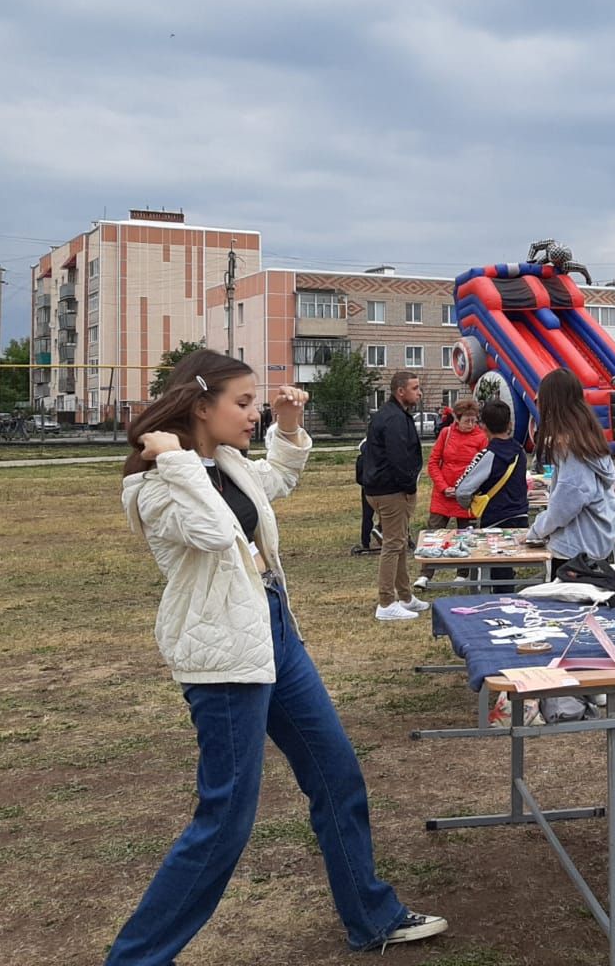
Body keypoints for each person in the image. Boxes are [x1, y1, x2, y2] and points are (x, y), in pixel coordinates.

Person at [106, 350, 445, 962]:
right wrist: (177, 460)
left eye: (256, 400)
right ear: (199, 407)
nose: (254, 411)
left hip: (273, 634)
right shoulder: (155, 484)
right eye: (243, 403)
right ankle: (135, 959)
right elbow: (212, 532)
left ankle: (370, 916)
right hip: (224, 654)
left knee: (335, 773)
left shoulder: (228, 463)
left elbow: (277, 482)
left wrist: (286, 429)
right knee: (225, 822)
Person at [529, 369, 615, 576]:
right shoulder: (586, 436)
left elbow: (566, 503)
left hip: (576, 551)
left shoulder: (571, 448)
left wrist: (536, 530)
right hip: (591, 544)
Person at [362, 371, 427, 622]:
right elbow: (400, 458)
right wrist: (409, 486)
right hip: (390, 491)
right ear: (401, 391)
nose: (419, 392)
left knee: (399, 541)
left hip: (382, 488)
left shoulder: (393, 415)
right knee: (392, 545)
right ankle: (386, 602)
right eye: (415, 388)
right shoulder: (394, 419)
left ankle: (406, 596)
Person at [452, 399, 530, 591]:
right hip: (521, 518)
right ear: (510, 424)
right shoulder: (520, 451)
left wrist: (469, 505)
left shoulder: (488, 454)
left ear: (483, 426)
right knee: (506, 570)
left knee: (496, 573)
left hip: (495, 520)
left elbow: (462, 489)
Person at [415, 398, 488, 588]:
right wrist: (443, 486)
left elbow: (482, 468)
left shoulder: (481, 438)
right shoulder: (446, 434)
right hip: (443, 494)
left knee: (466, 535)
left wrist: (466, 490)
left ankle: (463, 573)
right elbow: (433, 463)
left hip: (466, 496)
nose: (470, 424)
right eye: (467, 420)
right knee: (433, 533)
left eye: (474, 420)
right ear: (456, 418)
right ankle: (426, 573)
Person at [349, 434, 382, 556]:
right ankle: (382, 532)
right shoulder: (381, 456)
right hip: (383, 488)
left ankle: (365, 542)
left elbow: (358, 478)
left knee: (367, 516)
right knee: (387, 514)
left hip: (366, 488)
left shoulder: (361, 459)